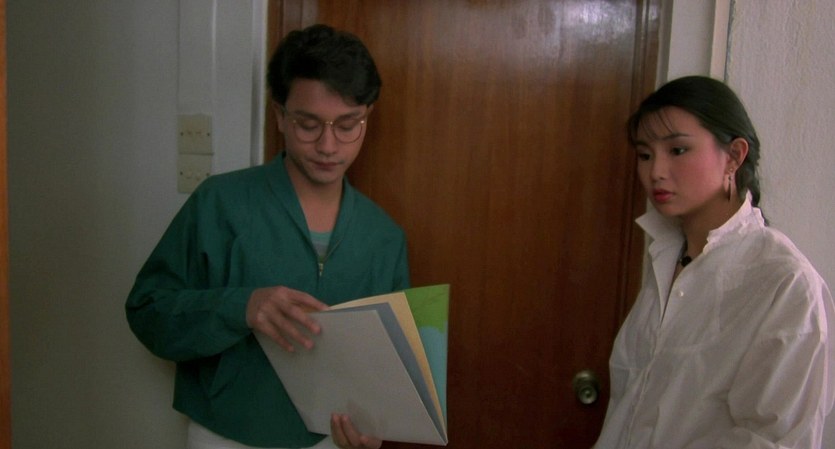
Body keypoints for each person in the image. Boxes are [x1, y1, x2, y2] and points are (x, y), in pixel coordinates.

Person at [126, 24, 409, 449]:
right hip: (226, 436)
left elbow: (391, 369)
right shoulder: (220, 204)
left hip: (333, 442)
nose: (328, 145)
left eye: (348, 124)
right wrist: (241, 306)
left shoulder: (384, 238)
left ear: (367, 117)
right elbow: (148, 310)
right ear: (279, 115)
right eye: (308, 124)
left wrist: (377, 425)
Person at [594, 76, 835, 448]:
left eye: (677, 150)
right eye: (645, 155)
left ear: (734, 156)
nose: (656, 171)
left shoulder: (784, 281)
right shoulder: (665, 259)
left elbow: (776, 439)